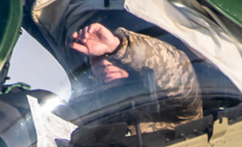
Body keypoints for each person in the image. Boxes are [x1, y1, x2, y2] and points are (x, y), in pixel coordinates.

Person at [65, 18, 203, 131]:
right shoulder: (88, 108)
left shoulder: (166, 101)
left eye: (110, 56)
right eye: (95, 56)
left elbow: (175, 68)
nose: (106, 63)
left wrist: (116, 47)